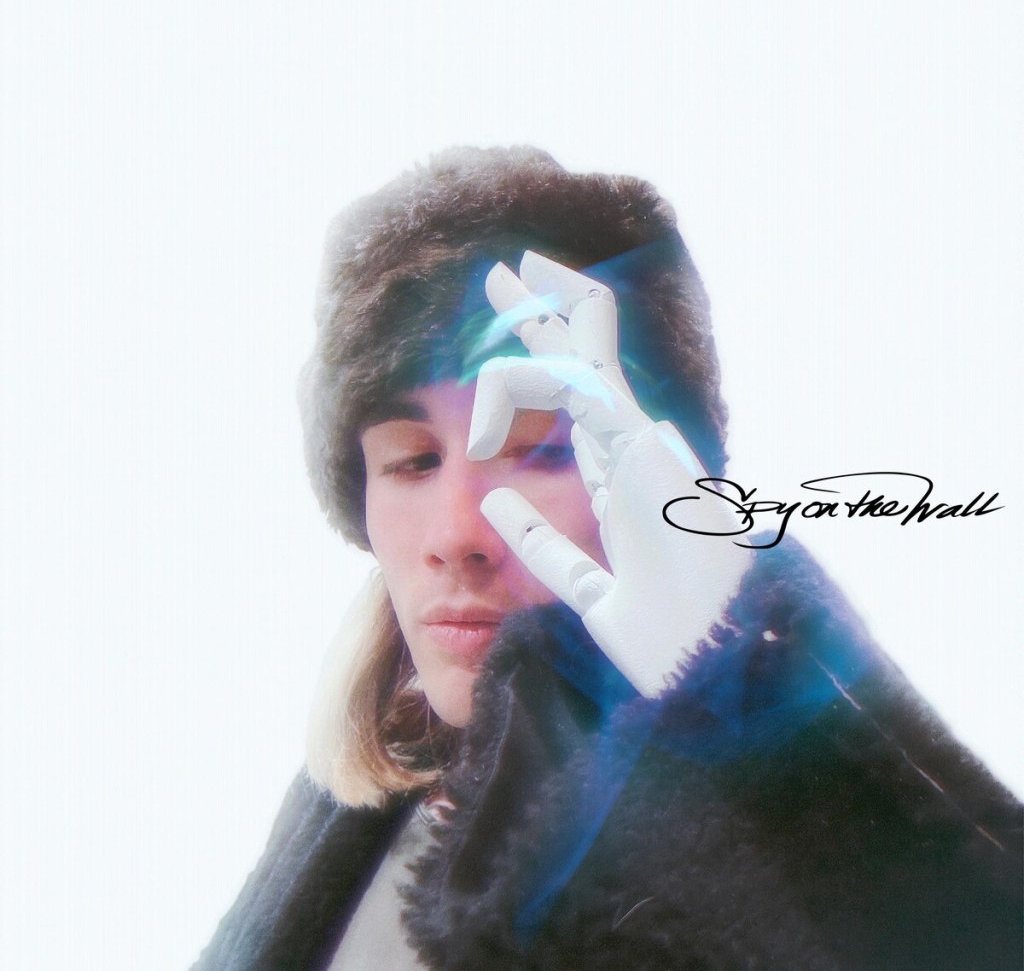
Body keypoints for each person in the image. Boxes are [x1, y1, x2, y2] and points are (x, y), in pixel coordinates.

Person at [194, 146, 1022, 971]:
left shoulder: (793, 830)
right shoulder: (344, 811)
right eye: (411, 461)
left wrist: (732, 709)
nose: (456, 533)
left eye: (542, 452)